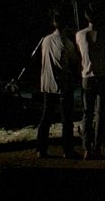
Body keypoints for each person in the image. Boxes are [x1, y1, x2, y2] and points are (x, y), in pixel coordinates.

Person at [36, 13, 79, 159]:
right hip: (63, 84)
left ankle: (41, 148)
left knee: (46, 117)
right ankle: (67, 150)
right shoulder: (66, 42)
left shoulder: (45, 40)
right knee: (66, 119)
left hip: (47, 83)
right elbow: (74, 60)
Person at [76, 7, 105, 160]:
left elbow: (80, 54)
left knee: (87, 114)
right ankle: (97, 146)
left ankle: (87, 148)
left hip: (87, 77)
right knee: (101, 114)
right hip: (103, 76)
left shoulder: (80, 34)